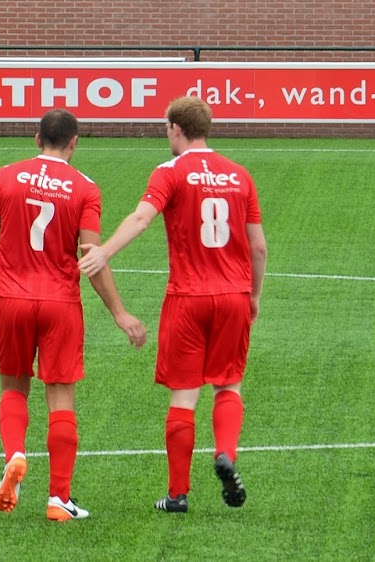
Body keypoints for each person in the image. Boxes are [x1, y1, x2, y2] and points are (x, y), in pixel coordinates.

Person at [0, 109, 146, 522]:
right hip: (60, 303)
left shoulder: (5, 176)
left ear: (37, 139)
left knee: (13, 387)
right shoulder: (86, 188)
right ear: (74, 143)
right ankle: (58, 499)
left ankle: (15, 453)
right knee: (60, 397)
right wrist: (120, 313)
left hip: (10, 300)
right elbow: (92, 257)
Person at [79, 96, 267, 515]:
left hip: (187, 298)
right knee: (228, 384)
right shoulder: (239, 175)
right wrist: (252, 296)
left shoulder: (170, 172)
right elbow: (258, 246)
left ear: (175, 128)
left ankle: (178, 495)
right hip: (233, 295)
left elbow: (141, 218)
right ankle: (226, 455)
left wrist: (105, 251)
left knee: (184, 396)